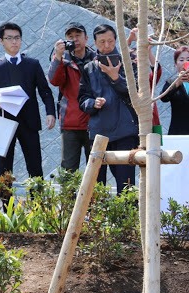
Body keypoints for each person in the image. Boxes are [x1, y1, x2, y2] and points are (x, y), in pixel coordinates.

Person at [0, 22, 56, 208]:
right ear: (1, 41)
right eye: (9, 38)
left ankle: (38, 208)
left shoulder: (32, 64)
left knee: (35, 166)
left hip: (29, 122)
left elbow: (45, 91)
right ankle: (7, 210)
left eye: (17, 37)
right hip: (4, 122)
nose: (14, 42)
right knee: (4, 168)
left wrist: (50, 113)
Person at [78, 24, 139, 195]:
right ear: (94, 43)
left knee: (126, 186)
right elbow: (82, 98)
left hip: (124, 130)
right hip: (98, 132)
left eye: (110, 41)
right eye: (102, 41)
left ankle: (127, 221)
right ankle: (97, 221)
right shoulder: (89, 68)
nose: (106, 45)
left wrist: (115, 77)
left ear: (116, 41)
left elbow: (135, 95)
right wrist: (93, 103)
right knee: (96, 185)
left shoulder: (127, 62)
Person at [48, 22, 95, 173]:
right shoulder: (63, 59)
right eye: (70, 36)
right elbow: (54, 80)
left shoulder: (97, 58)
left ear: (86, 38)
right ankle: (68, 198)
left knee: (95, 170)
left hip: (94, 121)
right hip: (70, 122)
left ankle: (94, 198)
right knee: (68, 170)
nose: (75, 39)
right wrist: (58, 57)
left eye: (78, 36)